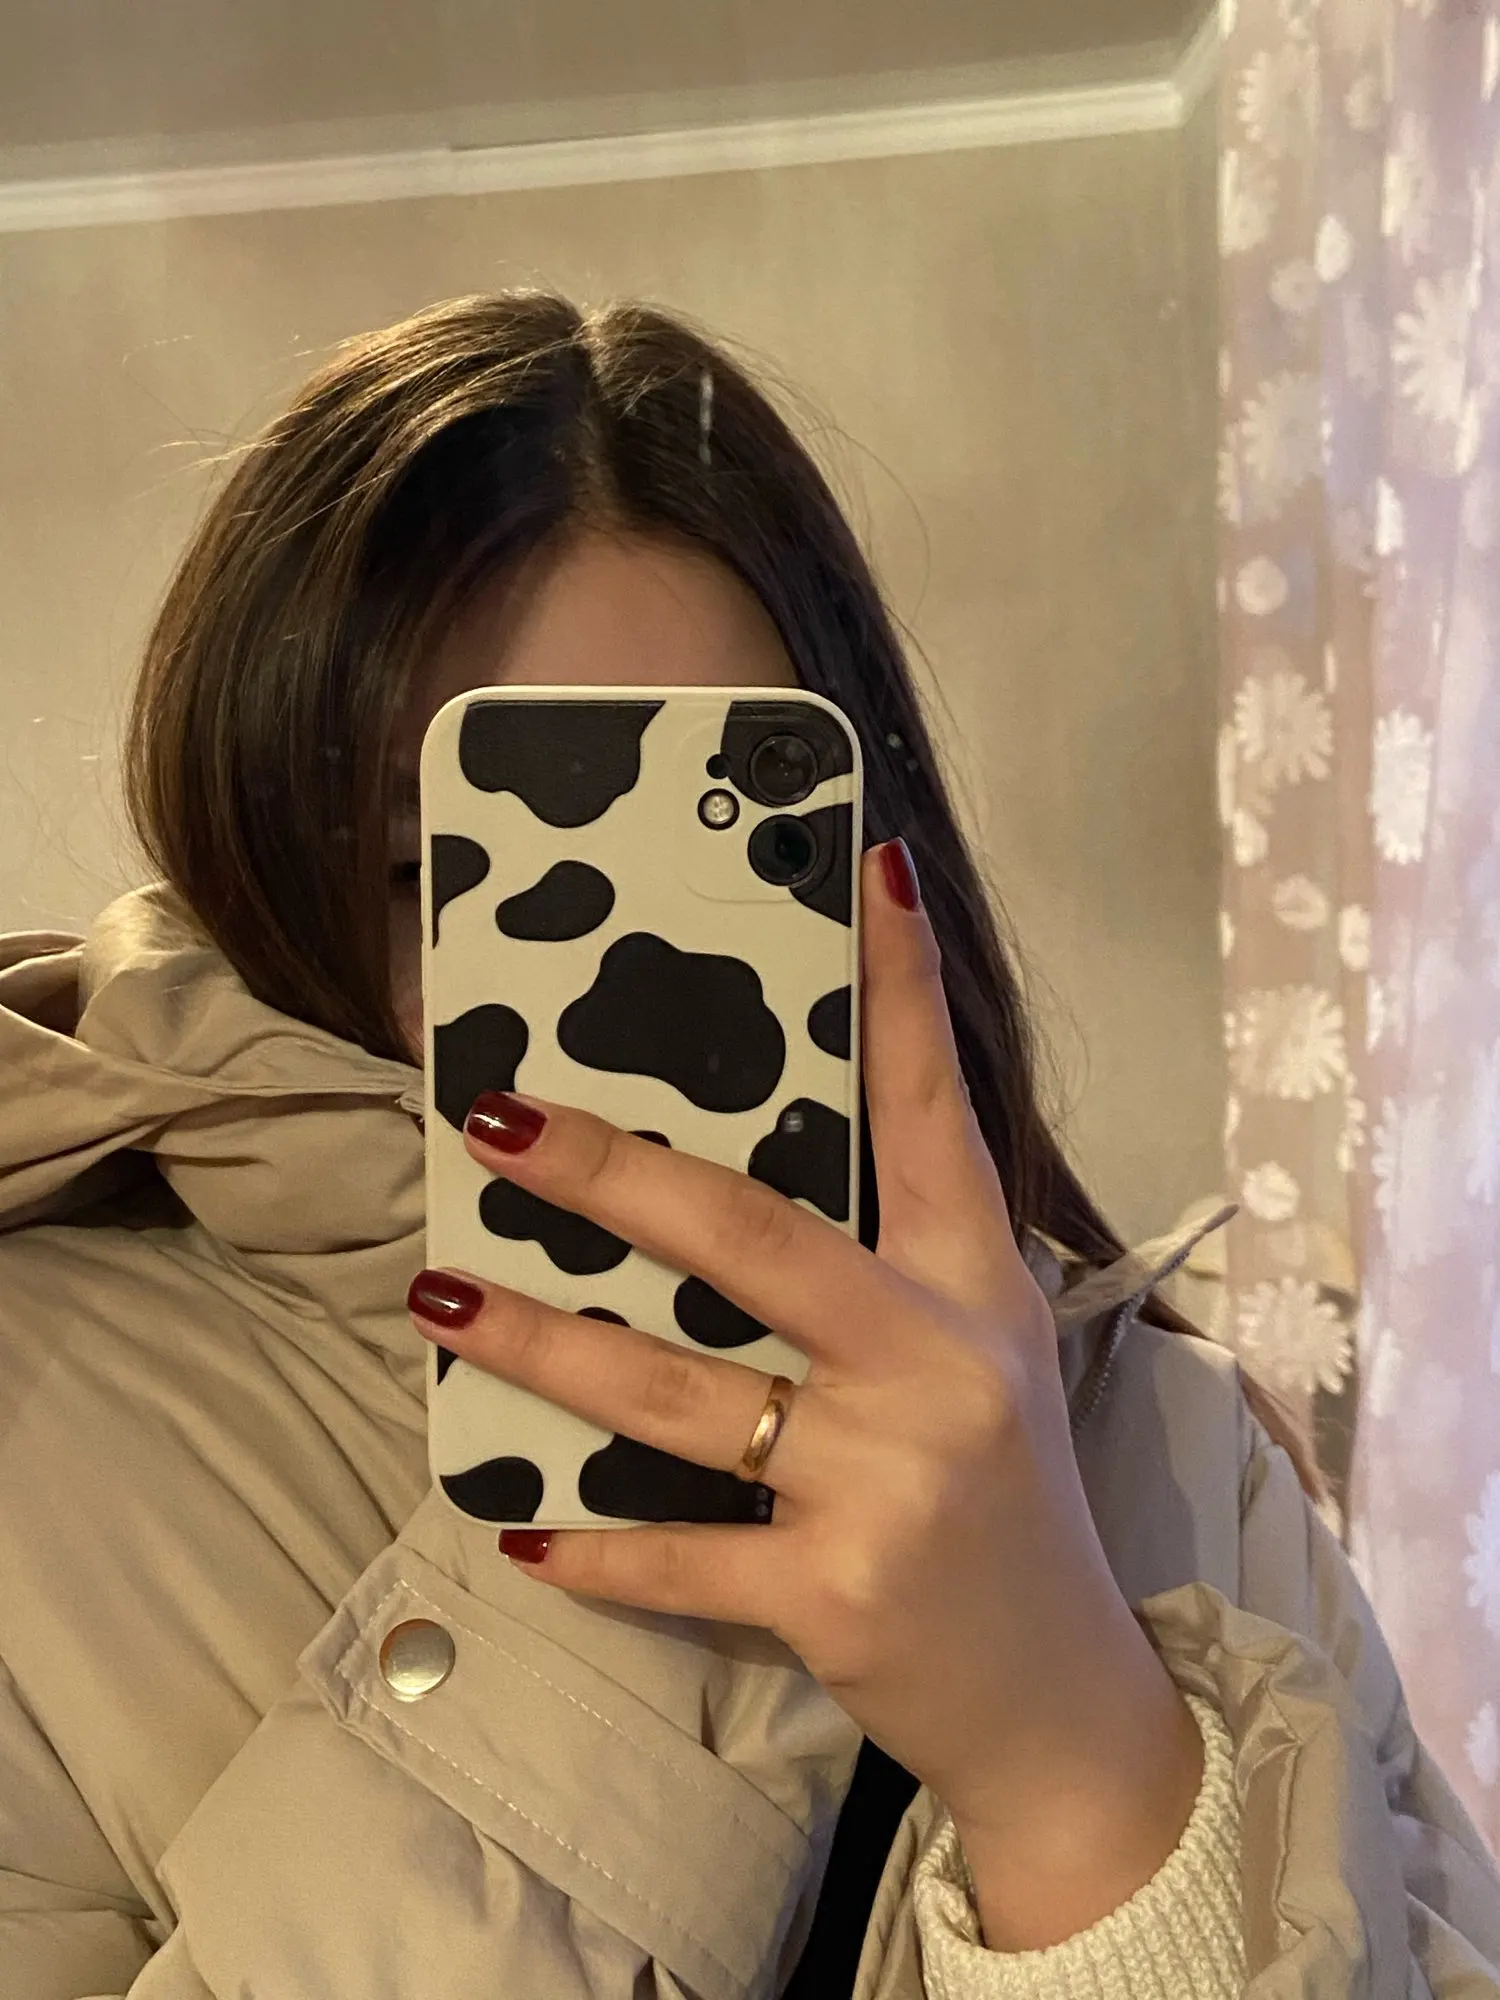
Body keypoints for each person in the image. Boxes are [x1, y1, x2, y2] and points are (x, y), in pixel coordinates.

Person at [1, 291, 1496, 2000]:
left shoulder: (1169, 1443)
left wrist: (1076, 1764)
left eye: (720, 855)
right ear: (264, 862)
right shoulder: (33, 1438)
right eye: (450, 873)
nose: (620, 983)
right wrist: (615, 1592)